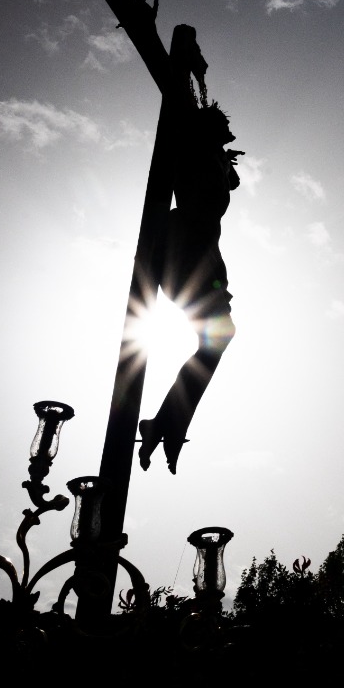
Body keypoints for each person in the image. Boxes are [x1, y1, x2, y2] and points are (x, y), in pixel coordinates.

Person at [139, 101, 241, 473]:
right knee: (219, 335)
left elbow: (227, 179)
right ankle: (168, 421)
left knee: (220, 336)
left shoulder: (212, 157)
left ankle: (168, 420)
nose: (225, 141)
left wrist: (225, 161)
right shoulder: (195, 151)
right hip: (188, 255)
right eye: (219, 135)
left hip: (205, 257)